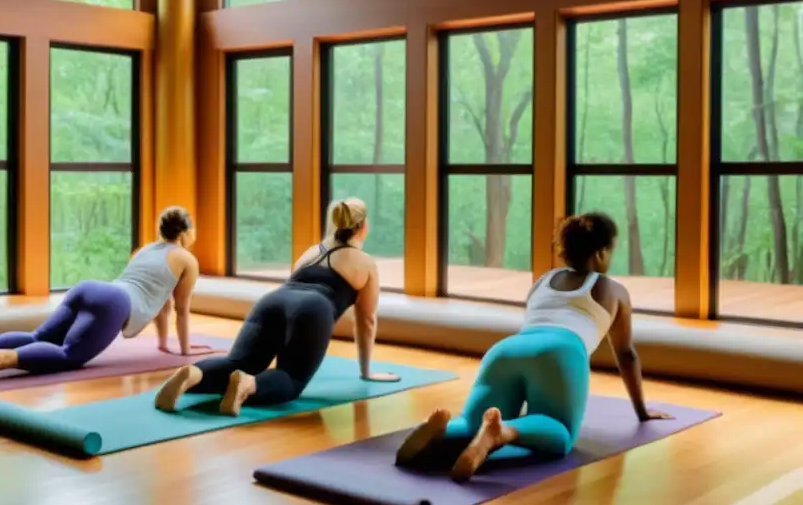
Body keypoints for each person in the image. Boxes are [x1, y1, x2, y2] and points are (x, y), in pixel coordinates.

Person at [395, 212, 673, 481]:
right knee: (560, 431)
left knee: (470, 421)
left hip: (507, 350)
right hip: (560, 352)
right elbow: (626, 354)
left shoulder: (543, 281)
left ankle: (440, 430)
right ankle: (502, 433)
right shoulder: (613, 290)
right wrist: (641, 411)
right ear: (600, 253)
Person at [154, 197, 400, 416]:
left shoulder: (311, 252)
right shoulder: (365, 263)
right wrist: (366, 371)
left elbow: (294, 293)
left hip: (273, 301)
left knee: (236, 363)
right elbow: (366, 321)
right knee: (291, 379)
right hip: (313, 308)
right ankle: (249, 385)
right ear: (363, 227)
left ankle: (193, 375)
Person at [0, 206, 213, 383]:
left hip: (90, 288)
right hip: (115, 303)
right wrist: (185, 350)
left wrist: (164, 344)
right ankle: (4, 357)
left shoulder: (146, 249)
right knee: (69, 355)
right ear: (186, 231)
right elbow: (180, 309)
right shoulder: (186, 259)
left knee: (39, 336)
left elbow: (162, 303)